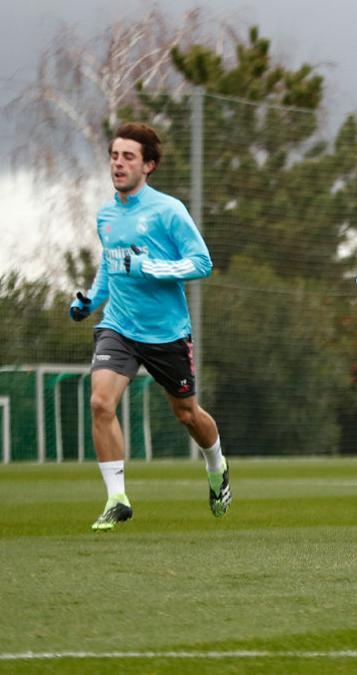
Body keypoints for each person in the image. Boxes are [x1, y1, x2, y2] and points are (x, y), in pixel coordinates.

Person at [69, 122, 229, 531]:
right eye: (114, 156)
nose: (118, 164)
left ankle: (216, 464)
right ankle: (116, 498)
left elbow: (201, 263)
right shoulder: (106, 215)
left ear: (149, 165)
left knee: (187, 415)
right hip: (118, 326)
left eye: (128, 157)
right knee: (100, 403)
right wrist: (90, 300)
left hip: (166, 333)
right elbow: (110, 265)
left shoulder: (168, 210)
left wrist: (147, 266)